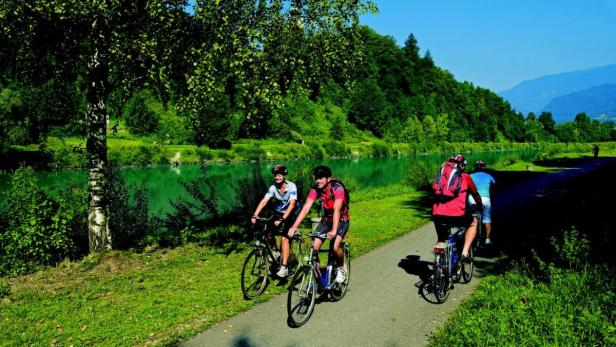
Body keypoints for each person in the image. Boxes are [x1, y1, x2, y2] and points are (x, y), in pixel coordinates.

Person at [288, 165, 350, 283]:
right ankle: (316, 278)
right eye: (316, 178)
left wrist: (333, 230)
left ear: (328, 178)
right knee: (313, 248)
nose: (318, 181)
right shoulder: (315, 189)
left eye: (321, 178)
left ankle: (341, 268)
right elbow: (306, 208)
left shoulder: (337, 188)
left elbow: (337, 209)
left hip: (342, 220)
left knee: (335, 247)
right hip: (326, 220)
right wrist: (294, 226)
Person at [251, 164, 300, 278]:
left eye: (279, 175)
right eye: (275, 175)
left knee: (284, 238)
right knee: (268, 234)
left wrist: (283, 219)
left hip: (291, 213)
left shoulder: (291, 186)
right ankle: (276, 252)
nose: (276, 177)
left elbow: (292, 205)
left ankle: (284, 268)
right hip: (279, 212)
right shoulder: (273, 187)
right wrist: (255, 215)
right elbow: (264, 200)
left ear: (284, 175)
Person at [432, 155, 483, 261]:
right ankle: (464, 252)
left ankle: (438, 263)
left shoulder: (441, 177)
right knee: (473, 222)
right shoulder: (465, 177)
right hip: (457, 214)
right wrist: (480, 204)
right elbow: (475, 194)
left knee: (442, 239)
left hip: (437, 213)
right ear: (462, 166)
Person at [470, 160, 496, 246]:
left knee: (472, 217)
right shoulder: (489, 176)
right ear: (484, 167)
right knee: (487, 218)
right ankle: (487, 239)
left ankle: (471, 234)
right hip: (485, 199)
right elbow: (494, 185)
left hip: (472, 199)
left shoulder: (470, 176)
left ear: (475, 167)